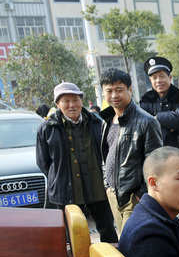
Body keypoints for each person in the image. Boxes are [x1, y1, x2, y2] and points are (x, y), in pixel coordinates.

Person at [36, 82, 118, 243]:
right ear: (58, 104)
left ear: (81, 101)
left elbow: (108, 151)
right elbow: (43, 162)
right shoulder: (47, 128)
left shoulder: (96, 122)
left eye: (75, 100)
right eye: (66, 101)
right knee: (74, 235)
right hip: (66, 190)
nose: (71, 105)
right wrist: (60, 177)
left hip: (96, 187)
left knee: (107, 228)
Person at [100, 68, 163, 232]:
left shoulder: (147, 121)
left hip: (134, 197)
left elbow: (156, 163)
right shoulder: (107, 120)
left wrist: (142, 194)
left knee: (134, 244)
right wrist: (107, 184)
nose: (114, 95)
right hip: (114, 194)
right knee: (124, 242)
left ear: (130, 89)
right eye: (109, 91)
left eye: (119, 90)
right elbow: (106, 154)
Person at [140, 56, 179, 223]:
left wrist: (156, 118)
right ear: (150, 80)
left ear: (170, 78)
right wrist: (168, 120)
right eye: (154, 77)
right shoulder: (146, 100)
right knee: (160, 205)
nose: (158, 80)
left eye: (162, 76)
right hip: (158, 163)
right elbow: (142, 124)